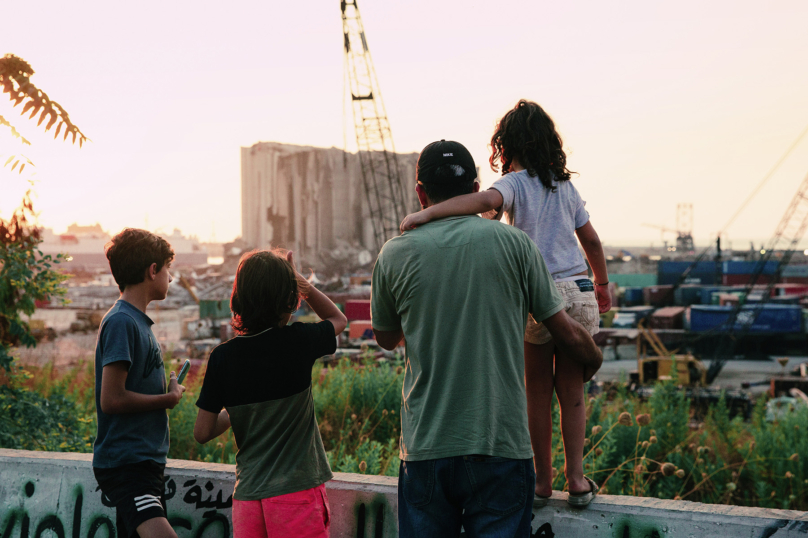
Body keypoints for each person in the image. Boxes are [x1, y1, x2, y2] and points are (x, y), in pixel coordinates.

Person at [372, 139, 603, 538]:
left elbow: (386, 337)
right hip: (501, 448)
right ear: (476, 186)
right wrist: (593, 357)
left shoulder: (394, 254)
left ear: (421, 193)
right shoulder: (516, 245)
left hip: (427, 447)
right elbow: (564, 331)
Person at [194, 249, 347, 538]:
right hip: (296, 494)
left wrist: (238, 410)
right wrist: (301, 281)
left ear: (238, 298)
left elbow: (202, 432)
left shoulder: (222, 358)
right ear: (289, 299)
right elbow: (338, 319)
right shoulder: (298, 342)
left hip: (248, 498)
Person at [93, 228, 186, 538]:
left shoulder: (137, 323)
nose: (171, 279)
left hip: (143, 462)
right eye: (168, 269)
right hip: (128, 464)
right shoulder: (122, 321)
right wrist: (167, 399)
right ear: (153, 270)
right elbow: (112, 399)